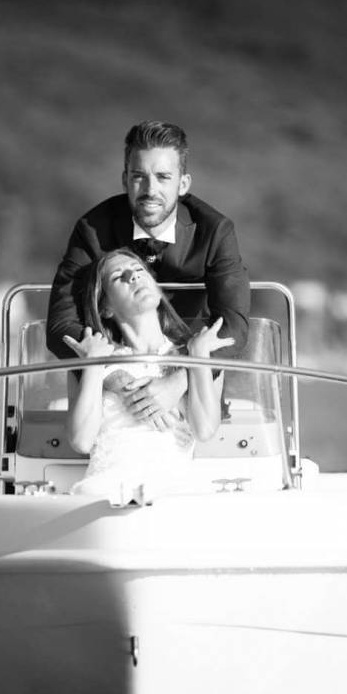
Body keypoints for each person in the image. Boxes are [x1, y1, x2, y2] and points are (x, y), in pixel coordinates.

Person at [47, 120, 250, 429]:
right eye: (139, 177)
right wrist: (117, 377)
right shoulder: (92, 229)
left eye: (163, 177)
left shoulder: (215, 231)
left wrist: (180, 380)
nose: (150, 190)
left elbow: (234, 326)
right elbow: (61, 324)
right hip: (113, 372)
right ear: (125, 179)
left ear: (183, 184)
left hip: (188, 369)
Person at [64, 248, 233, 498]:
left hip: (175, 490)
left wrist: (198, 357)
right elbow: (81, 440)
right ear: (105, 308)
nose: (134, 276)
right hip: (108, 489)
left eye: (141, 270)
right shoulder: (94, 358)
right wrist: (92, 364)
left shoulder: (193, 354)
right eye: (118, 276)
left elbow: (205, 429)